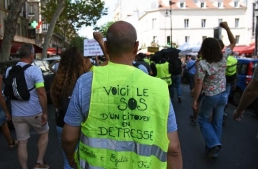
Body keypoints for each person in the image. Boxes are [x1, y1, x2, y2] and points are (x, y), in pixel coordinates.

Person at [62, 21, 182, 169]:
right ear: (136, 47)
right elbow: (174, 148)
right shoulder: (159, 88)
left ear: (105, 47)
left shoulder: (86, 82)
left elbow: (68, 138)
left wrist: (70, 159)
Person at [192, 21, 235, 159]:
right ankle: (213, 150)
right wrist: (227, 28)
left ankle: (214, 143)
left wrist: (195, 101)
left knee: (203, 120)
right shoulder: (223, 58)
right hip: (223, 95)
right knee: (217, 122)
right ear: (217, 48)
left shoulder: (202, 64)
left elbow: (199, 83)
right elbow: (233, 42)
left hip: (210, 96)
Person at [6, 44, 49, 169]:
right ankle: (39, 163)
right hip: (34, 112)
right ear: (32, 56)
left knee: (22, 142)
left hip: (17, 114)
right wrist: (45, 112)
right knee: (44, 133)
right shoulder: (34, 70)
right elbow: (41, 93)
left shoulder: (9, 70)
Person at [50, 47, 91, 169]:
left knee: (68, 162)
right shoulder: (87, 80)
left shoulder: (58, 80)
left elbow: (56, 103)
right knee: (84, 161)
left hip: (62, 124)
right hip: (83, 125)